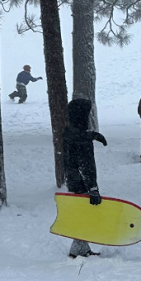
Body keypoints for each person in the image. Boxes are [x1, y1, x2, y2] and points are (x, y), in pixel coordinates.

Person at [62, 98, 107, 258]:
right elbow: (85, 166)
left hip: (73, 182)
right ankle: (76, 251)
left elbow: (79, 136)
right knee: (83, 216)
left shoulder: (70, 133)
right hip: (81, 184)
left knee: (82, 215)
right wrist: (92, 188)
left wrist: (92, 135)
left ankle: (82, 248)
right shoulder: (81, 140)